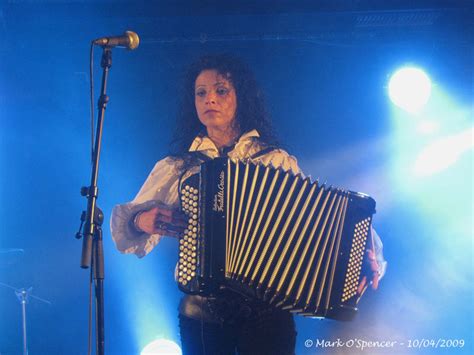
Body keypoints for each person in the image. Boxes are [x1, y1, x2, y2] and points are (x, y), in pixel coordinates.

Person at [110, 54, 386, 355]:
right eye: (201, 93)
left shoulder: (273, 160)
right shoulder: (179, 166)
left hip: (268, 309)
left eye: (221, 90)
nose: (209, 99)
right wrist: (141, 221)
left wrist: (364, 256)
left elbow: (319, 216)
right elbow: (126, 226)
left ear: (241, 97)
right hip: (202, 310)